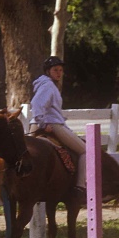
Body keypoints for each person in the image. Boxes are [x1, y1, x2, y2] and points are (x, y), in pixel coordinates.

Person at [31, 56, 87, 201]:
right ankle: (80, 187)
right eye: (55, 70)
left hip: (37, 124)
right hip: (52, 125)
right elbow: (37, 104)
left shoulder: (45, 85)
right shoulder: (48, 86)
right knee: (85, 151)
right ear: (48, 71)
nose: (59, 73)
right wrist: (43, 124)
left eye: (61, 70)